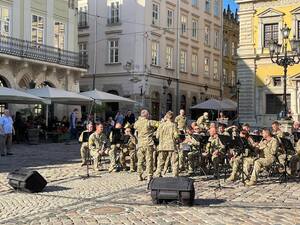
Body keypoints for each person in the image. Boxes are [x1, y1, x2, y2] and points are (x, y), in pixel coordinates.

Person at [134, 109, 159, 181]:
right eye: (148, 114)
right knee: (149, 160)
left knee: (140, 160)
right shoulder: (149, 122)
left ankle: (139, 175)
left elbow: (135, 127)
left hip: (140, 144)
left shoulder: (137, 123)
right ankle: (149, 175)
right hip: (148, 143)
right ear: (147, 115)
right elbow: (159, 124)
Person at [155, 111, 179, 177]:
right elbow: (176, 136)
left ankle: (158, 173)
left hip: (162, 145)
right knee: (174, 161)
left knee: (160, 160)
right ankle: (175, 174)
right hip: (171, 145)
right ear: (172, 117)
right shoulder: (173, 125)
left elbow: (157, 136)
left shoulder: (161, 125)